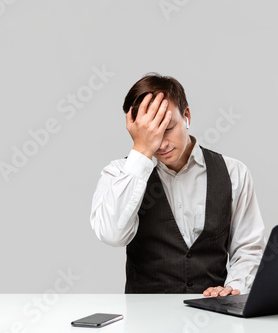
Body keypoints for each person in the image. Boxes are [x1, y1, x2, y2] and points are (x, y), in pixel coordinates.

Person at [90, 73, 265, 297]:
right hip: (146, 322)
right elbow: (112, 235)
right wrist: (142, 151)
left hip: (213, 317)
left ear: (187, 116)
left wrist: (234, 288)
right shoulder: (118, 174)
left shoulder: (234, 173)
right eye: (150, 133)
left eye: (168, 128)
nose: (161, 143)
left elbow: (248, 249)